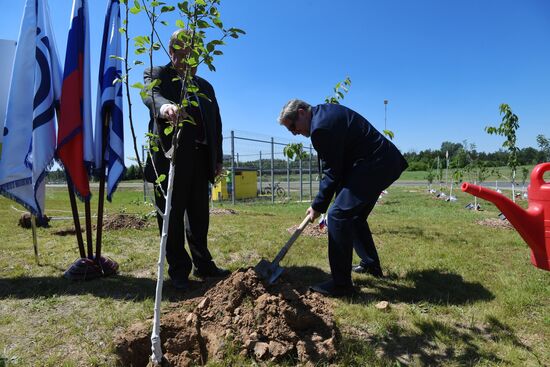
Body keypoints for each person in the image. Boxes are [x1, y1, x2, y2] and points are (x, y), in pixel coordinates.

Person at [278, 99, 408, 297]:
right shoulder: (324, 114)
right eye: (290, 130)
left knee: (338, 216)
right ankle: (371, 265)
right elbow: (341, 163)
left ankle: (341, 285)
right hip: (381, 162)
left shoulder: (320, 127)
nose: (294, 133)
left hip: (375, 164)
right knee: (352, 216)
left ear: (302, 112)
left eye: (293, 127)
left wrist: (318, 206)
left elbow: (332, 171)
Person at [142, 29, 229, 290]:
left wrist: (217, 159)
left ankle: (203, 263)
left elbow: (216, 124)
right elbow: (150, 95)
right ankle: (179, 269)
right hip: (172, 158)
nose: (188, 59)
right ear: (171, 51)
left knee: (199, 215)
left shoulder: (205, 87)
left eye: (193, 54)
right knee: (172, 214)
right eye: (182, 53)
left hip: (202, 159)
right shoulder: (158, 74)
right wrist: (165, 107)